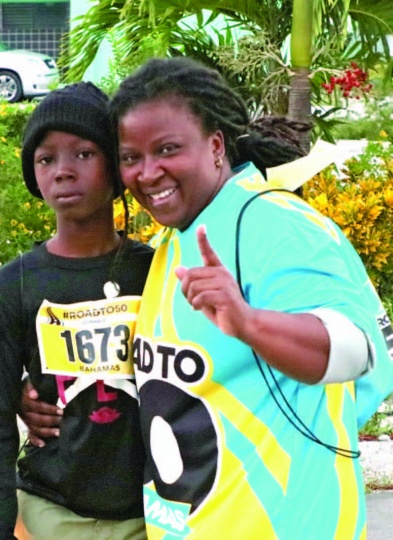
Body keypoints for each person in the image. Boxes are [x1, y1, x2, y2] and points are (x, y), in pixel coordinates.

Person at [20, 60, 393, 538]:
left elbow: (356, 350)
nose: (148, 172)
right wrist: (39, 397)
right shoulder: (174, 240)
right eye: (131, 157)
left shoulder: (273, 223)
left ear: (215, 145)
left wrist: (251, 324)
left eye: (168, 149)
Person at [0, 82, 153, 540]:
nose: (63, 172)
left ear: (116, 164)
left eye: (84, 154)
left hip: (154, 512)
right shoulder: (15, 284)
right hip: (50, 511)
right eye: (46, 159)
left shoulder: (158, 272)